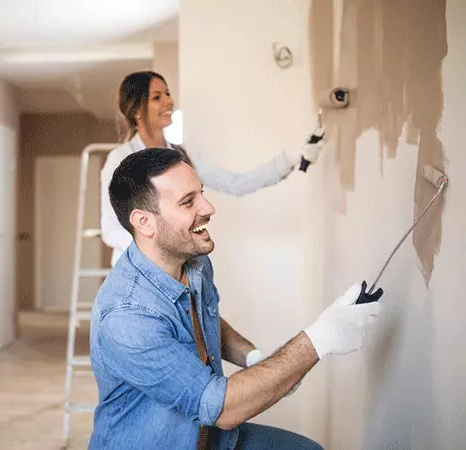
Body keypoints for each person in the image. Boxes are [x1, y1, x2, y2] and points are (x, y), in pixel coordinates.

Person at [89, 148, 383, 450]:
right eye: (188, 202)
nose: (209, 207)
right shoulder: (126, 315)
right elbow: (222, 408)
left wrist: (254, 358)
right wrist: (319, 339)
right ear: (144, 222)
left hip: (209, 437)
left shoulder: (193, 261)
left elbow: (204, 322)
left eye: (200, 193)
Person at [101, 70, 325, 267]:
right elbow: (111, 227)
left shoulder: (182, 157)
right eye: (157, 97)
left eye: (168, 93)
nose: (168, 101)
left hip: (178, 268)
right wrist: (158, 249)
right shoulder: (120, 159)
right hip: (137, 269)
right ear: (136, 110)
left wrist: (290, 157)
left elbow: (236, 184)